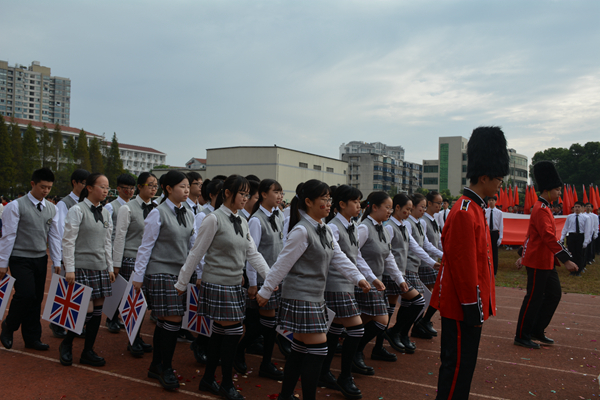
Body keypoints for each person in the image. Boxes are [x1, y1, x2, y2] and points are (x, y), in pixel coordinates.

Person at [256, 180, 370, 400]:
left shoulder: (324, 228)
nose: (329, 203)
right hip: (301, 296)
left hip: (315, 297)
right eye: (324, 199)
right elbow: (282, 264)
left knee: (299, 350)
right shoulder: (301, 230)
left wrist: (358, 278)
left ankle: (286, 395)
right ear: (308, 202)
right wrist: (265, 291)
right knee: (318, 350)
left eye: (330, 199)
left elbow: (339, 257)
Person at [431, 126, 509, 400]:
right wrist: (472, 307)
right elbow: (464, 268)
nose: (501, 183)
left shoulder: (474, 208)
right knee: (457, 369)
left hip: (469, 304)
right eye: (498, 178)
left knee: (464, 368)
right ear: (485, 176)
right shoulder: (465, 211)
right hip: (463, 306)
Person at [176, 175, 271, 400]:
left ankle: (208, 379)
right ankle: (226, 384)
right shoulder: (213, 219)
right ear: (227, 193)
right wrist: (182, 282)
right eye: (243, 193)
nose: (247, 198)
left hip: (233, 284)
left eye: (248, 194)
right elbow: (196, 252)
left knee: (220, 332)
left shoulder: (242, 219)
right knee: (234, 332)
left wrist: (270, 277)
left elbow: (252, 253)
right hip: (217, 283)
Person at [131, 171, 194, 390]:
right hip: (160, 271)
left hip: (180, 272)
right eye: (182, 186)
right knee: (173, 320)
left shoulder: (188, 212)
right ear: (168, 189)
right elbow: (145, 246)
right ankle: (165, 367)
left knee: (166, 322)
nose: (187, 190)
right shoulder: (157, 213)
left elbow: (193, 246)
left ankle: (157, 365)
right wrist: (138, 277)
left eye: (188, 187)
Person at [515, 161, 579, 349]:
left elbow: (531, 236)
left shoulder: (544, 208)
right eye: (558, 190)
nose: (559, 193)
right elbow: (547, 237)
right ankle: (522, 334)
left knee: (554, 294)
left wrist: (521, 254)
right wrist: (566, 260)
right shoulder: (540, 209)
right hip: (538, 261)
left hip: (546, 260)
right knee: (533, 298)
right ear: (548, 190)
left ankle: (536, 329)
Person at [0, 168, 60, 351]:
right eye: (43, 187)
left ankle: (32, 338)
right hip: (19, 258)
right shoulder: (16, 206)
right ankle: (9, 327)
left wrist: (57, 261)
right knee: (25, 294)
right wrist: (2, 263)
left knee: (35, 299)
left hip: (40, 258)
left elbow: (55, 236)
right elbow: (8, 236)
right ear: (32, 184)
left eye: (49, 188)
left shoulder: (52, 208)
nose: (46, 191)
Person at [59, 173, 115, 367]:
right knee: (86, 309)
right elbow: (68, 240)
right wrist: (70, 268)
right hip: (81, 266)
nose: (106, 190)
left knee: (98, 310)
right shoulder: (77, 210)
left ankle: (87, 351)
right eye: (102, 186)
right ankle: (66, 344)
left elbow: (108, 242)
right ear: (89, 188)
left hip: (100, 267)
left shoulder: (106, 212)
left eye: (108, 187)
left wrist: (109, 267)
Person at [320, 184, 369, 399]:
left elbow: (356, 256)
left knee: (335, 331)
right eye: (356, 202)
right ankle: (345, 376)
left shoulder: (352, 225)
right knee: (356, 329)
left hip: (348, 283)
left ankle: (324, 372)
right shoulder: (332, 227)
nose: (359, 206)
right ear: (341, 205)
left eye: (360, 202)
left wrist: (369, 278)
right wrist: (357, 278)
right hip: (336, 285)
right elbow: (335, 259)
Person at [235, 179, 284, 381]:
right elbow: (251, 254)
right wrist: (253, 283)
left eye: (281, 193)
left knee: (267, 325)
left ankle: (248, 354)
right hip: (263, 279)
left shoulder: (278, 215)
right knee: (267, 325)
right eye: (276, 192)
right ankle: (260, 361)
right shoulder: (255, 220)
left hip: (276, 277)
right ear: (263, 194)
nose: (280, 196)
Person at [352, 191, 407, 371]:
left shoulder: (382, 227)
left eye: (391, 208)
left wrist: (399, 278)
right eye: (387, 207)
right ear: (374, 207)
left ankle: (354, 350)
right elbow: (354, 255)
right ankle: (356, 351)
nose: (390, 211)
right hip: (365, 283)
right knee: (381, 320)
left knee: (366, 319)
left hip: (376, 282)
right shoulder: (364, 228)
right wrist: (370, 277)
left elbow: (388, 255)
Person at [383, 194, 438, 354]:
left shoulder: (408, 225)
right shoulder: (393, 226)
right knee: (416, 302)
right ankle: (395, 333)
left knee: (397, 306)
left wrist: (433, 262)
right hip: (396, 271)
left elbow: (418, 246)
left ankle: (398, 333)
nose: (423, 210)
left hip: (403, 270)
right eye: (408, 209)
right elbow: (386, 253)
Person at [112, 172, 158, 357]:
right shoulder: (127, 208)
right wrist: (116, 264)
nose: (154, 188)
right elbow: (119, 237)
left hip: (149, 261)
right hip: (131, 258)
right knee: (133, 301)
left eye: (156, 185)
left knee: (144, 303)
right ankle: (133, 339)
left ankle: (137, 337)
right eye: (150, 185)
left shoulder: (157, 208)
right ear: (140, 187)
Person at [50, 169, 90, 339]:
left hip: (82, 254)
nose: (87, 187)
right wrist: (61, 258)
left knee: (78, 291)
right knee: (64, 291)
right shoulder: (64, 204)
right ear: (75, 183)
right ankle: (57, 324)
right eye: (84, 183)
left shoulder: (88, 204)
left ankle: (75, 324)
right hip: (67, 254)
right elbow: (60, 232)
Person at [406, 193, 443, 340]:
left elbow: (430, 242)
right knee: (424, 297)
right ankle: (417, 324)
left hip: (427, 261)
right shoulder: (413, 222)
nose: (439, 206)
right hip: (421, 263)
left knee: (426, 296)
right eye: (437, 203)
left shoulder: (424, 221)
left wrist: (445, 254)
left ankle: (420, 323)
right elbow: (417, 246)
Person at [104, 173, 136, 333]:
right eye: (126, 188)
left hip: (127, 251)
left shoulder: (134, 206)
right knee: (115, 287)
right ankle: (111, 317)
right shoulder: (111, 207)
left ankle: (116, 316)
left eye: (132, 188)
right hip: (114, 252)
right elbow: (107, 232)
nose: (129, 191)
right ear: (118, 189)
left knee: (124, 288)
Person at [560, 201, 592, 276]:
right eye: (575, 207)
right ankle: (572, 270)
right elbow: (565, 228)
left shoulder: (586, 218)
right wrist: (562, 237)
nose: (577, 208)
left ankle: (578, 270)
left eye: (578, 207)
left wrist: (586, 241)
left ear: (582, 208)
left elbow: (587, 230)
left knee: (579, 254)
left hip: (580, 236)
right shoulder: (570, 216)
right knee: (571, 253)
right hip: (571, 236)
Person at [485, 195, 504, 275]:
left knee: (494, 253)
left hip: (495, 233)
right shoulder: (485, 211)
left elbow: (501, 225)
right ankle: (487, 269)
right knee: (486, 251)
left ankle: (494, 271)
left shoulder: (499, 213)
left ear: (495, 201)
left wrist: (500, 237)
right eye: (490, 200)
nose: (491, 201)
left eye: (493, 200)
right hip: (487, 232)